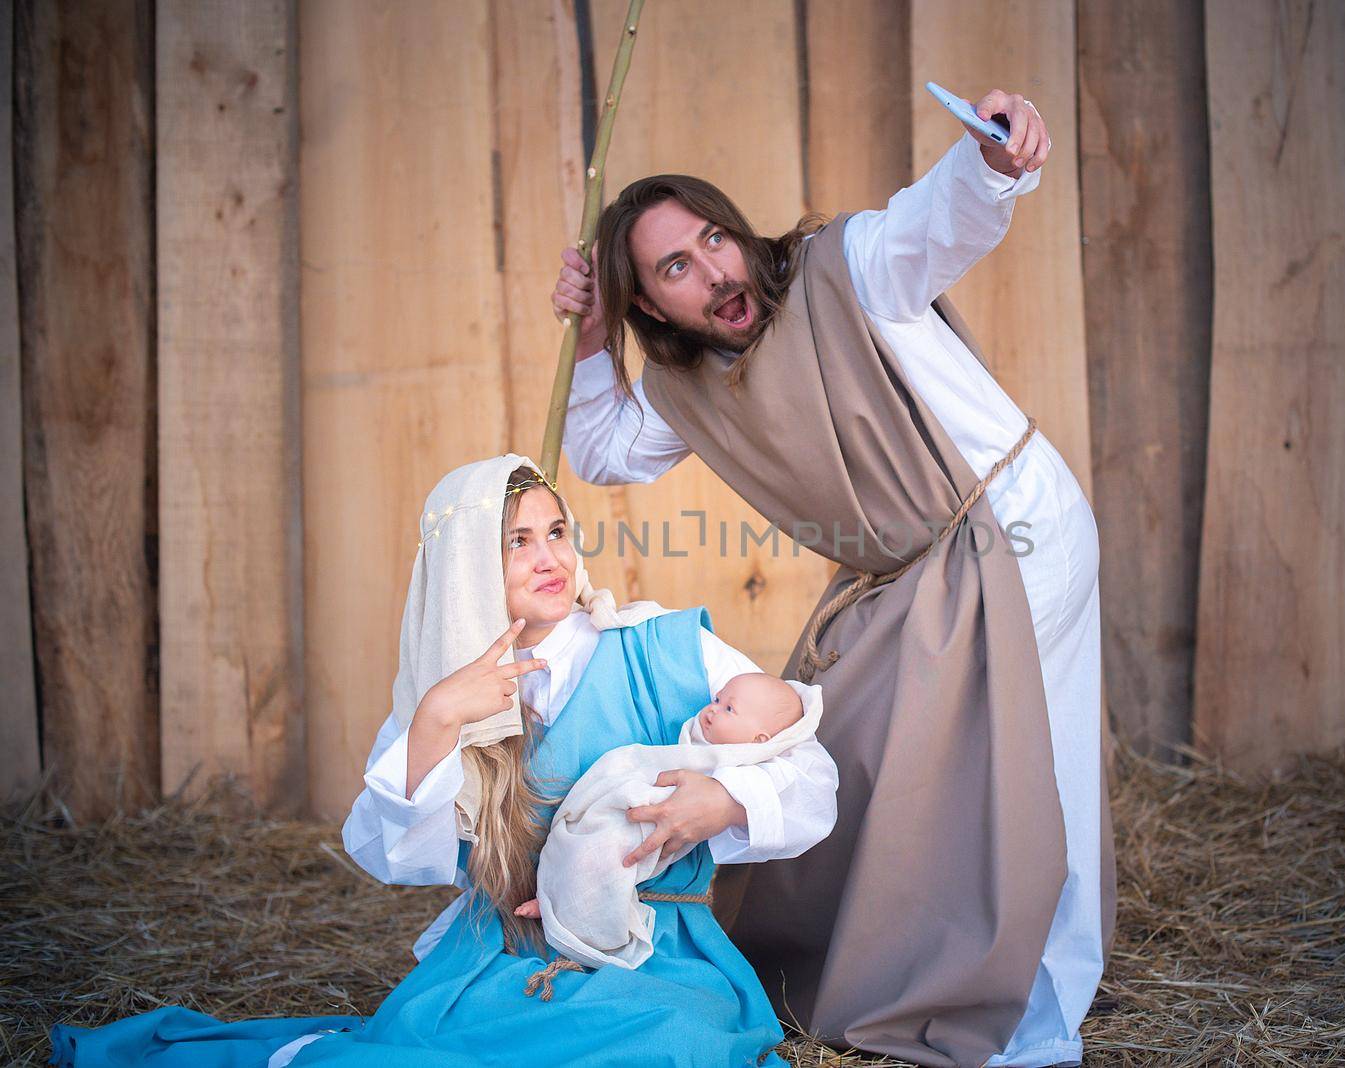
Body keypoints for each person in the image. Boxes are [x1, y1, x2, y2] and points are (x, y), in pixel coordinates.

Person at [548, 89, 1113, 1066]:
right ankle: (881, 956)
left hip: (1011, 529)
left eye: (715, 238)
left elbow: (933, 224)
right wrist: (593, 343)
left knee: (1033, 770)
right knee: (836, 737)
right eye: (675, 267)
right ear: (648, 301)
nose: (715, 269)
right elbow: (600, 451)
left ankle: (1038, 1008)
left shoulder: (843, 269)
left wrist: (992, 158)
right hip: (906, 574)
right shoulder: (686, 387)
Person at [48, 455, 838, 1068]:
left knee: (672, 1044)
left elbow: (810, 773)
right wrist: (435, 722)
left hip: (656, 952)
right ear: (466, 564)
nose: (548, 558)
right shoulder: (445, 689)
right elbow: (384, 852)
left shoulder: (661, 650)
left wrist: (725, 805)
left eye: (556, 532)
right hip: (504, 955)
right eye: (517, 542)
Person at [524, 671, 819, 971]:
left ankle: (567, 915)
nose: (713, 708)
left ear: (760, 740)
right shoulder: (700, 737)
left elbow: (812, 788)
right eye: (717, 699)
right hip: (624, 805)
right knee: (588, 839)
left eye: (729, 709)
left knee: (607, 858)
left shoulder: (747, 761)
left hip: (652, 843)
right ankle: (554, 900)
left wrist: (726, 801)